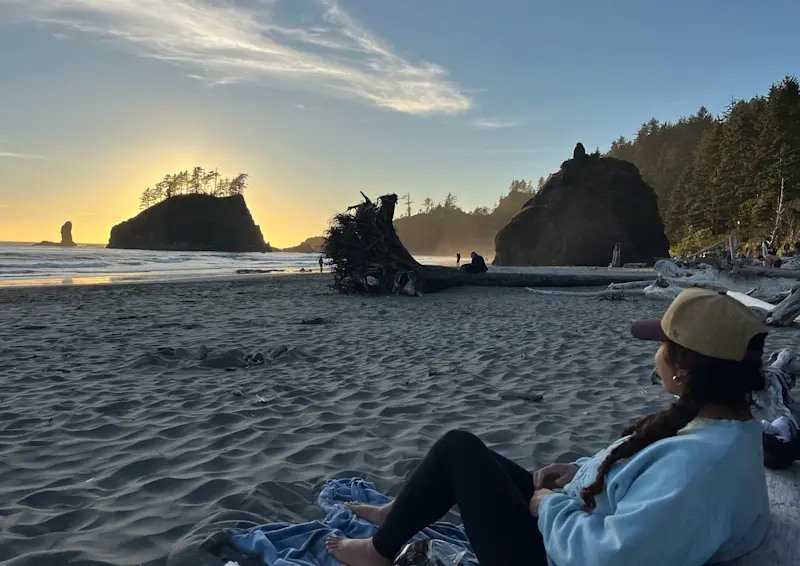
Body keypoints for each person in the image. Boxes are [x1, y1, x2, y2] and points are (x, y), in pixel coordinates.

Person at [326, 289, 770, 566]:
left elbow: (609, 557)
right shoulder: (724, 429)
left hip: (557, 552)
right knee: (462, 451)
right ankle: (398, 516)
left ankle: (378, 553)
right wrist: (577, 471)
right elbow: (642, 490)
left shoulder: (700, 471)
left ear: (686, 371)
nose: (655, 354)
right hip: (571, 527)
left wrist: (546, 508)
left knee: (459, 450)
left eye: (662, 345)